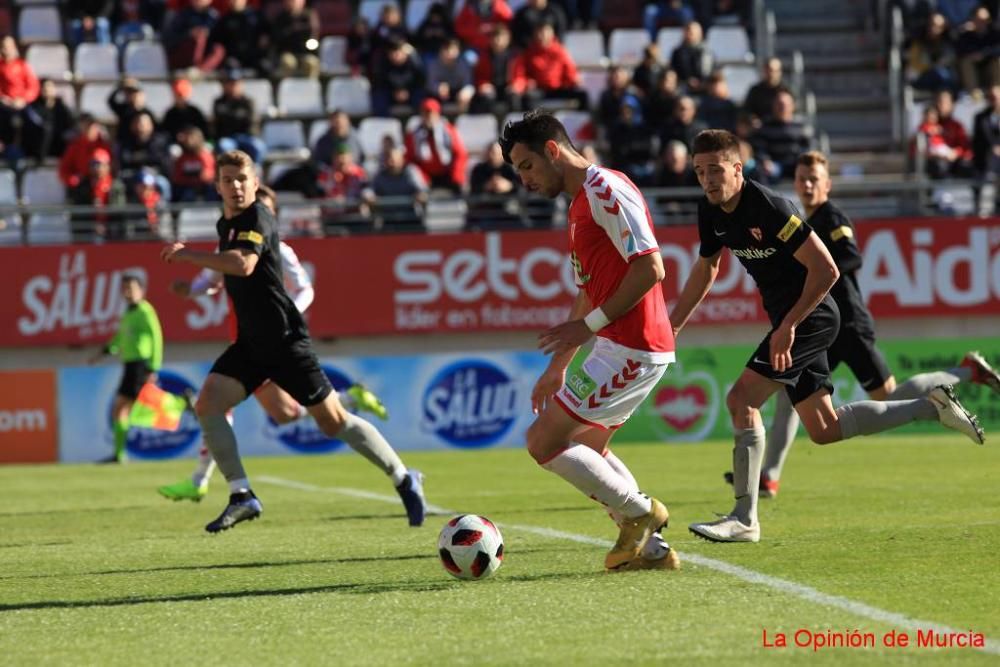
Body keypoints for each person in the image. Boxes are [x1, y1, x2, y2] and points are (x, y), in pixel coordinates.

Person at [672, 130, 984, 544]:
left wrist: (788, 327)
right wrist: (671, 324)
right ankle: (931, 408)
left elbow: (828, 270)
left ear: (736, 168)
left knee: (740, 399)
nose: (707, 179)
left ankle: (744, 518)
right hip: (792, 321)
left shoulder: (768, 207)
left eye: (715, 170)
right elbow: (707, 268)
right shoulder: (710, 210)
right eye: (699, 171)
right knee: (823, 427)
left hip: (813, 317)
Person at [159, 151, 425, 533]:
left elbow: (244, 265)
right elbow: (227, 271)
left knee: (333, 422)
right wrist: (198, 282)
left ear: (254, 183)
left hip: (284, 340)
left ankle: (403, 477)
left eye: (241, 179)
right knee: (208, 404)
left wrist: (190, 257)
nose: (235, 186)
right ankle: (241, 494)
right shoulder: (226, 224)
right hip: (251, 344)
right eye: (227, 179)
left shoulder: (258, 218)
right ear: (217, 186)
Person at [725, 150, 1000, 498]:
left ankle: (965, 374)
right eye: (801, 179)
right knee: (788, 396)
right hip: (818, 323)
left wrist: (814, 261)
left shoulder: (831, 217)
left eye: (814, 180)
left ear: (827, 184)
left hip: (848, 324)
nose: (807, 185)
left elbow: (851, 255)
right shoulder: (797, 220)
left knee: (888, 396)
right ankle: (769, 475)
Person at [498, 110, 679, 572]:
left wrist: (590, 325)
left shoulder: (605, 191)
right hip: (617, 345)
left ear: (553, 150)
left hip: (634, 345)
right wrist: (559, 364)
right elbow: (588, 289)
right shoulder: (580, 204)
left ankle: (641, 514)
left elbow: (651, 268)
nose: (524, 180)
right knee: (589, 449)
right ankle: (652, 553)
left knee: (543, 441)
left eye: (526, 166)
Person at [89, 274, 175, 463]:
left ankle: (119, 455)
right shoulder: (128, 313)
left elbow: (156, 338)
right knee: (122, 410)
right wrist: (104, 353)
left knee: (122, 408)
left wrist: (153, 368)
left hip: (140, 365)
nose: (127, 293)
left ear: (141, 291)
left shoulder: (145, 311)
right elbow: (119, 338)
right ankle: (119, 454)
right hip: (129, 365)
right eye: (125, 289)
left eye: (131, 288)